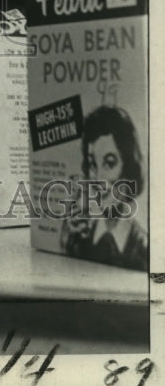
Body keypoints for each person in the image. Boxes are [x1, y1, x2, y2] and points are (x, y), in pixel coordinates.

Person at [61, 105, 148, 271]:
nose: (98, 179)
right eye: (93, 165)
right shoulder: (77, 239)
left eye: (109, 163)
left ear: (128, 168)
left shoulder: (146, 249)